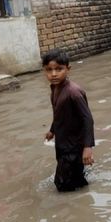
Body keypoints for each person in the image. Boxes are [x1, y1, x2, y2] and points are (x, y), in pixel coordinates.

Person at [43, 49, 95, 192]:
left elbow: (88, 119)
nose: (53, 74)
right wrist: (52, 130)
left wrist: (87, 147)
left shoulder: (73, 92)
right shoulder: (55, 87)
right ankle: (83, 191)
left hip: (73, 146)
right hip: (63, 141)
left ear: (68, 69)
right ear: (44, 71)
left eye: (59, 69)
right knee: (75, 178)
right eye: (49, 70)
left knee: (61, 184)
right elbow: (58, 113)